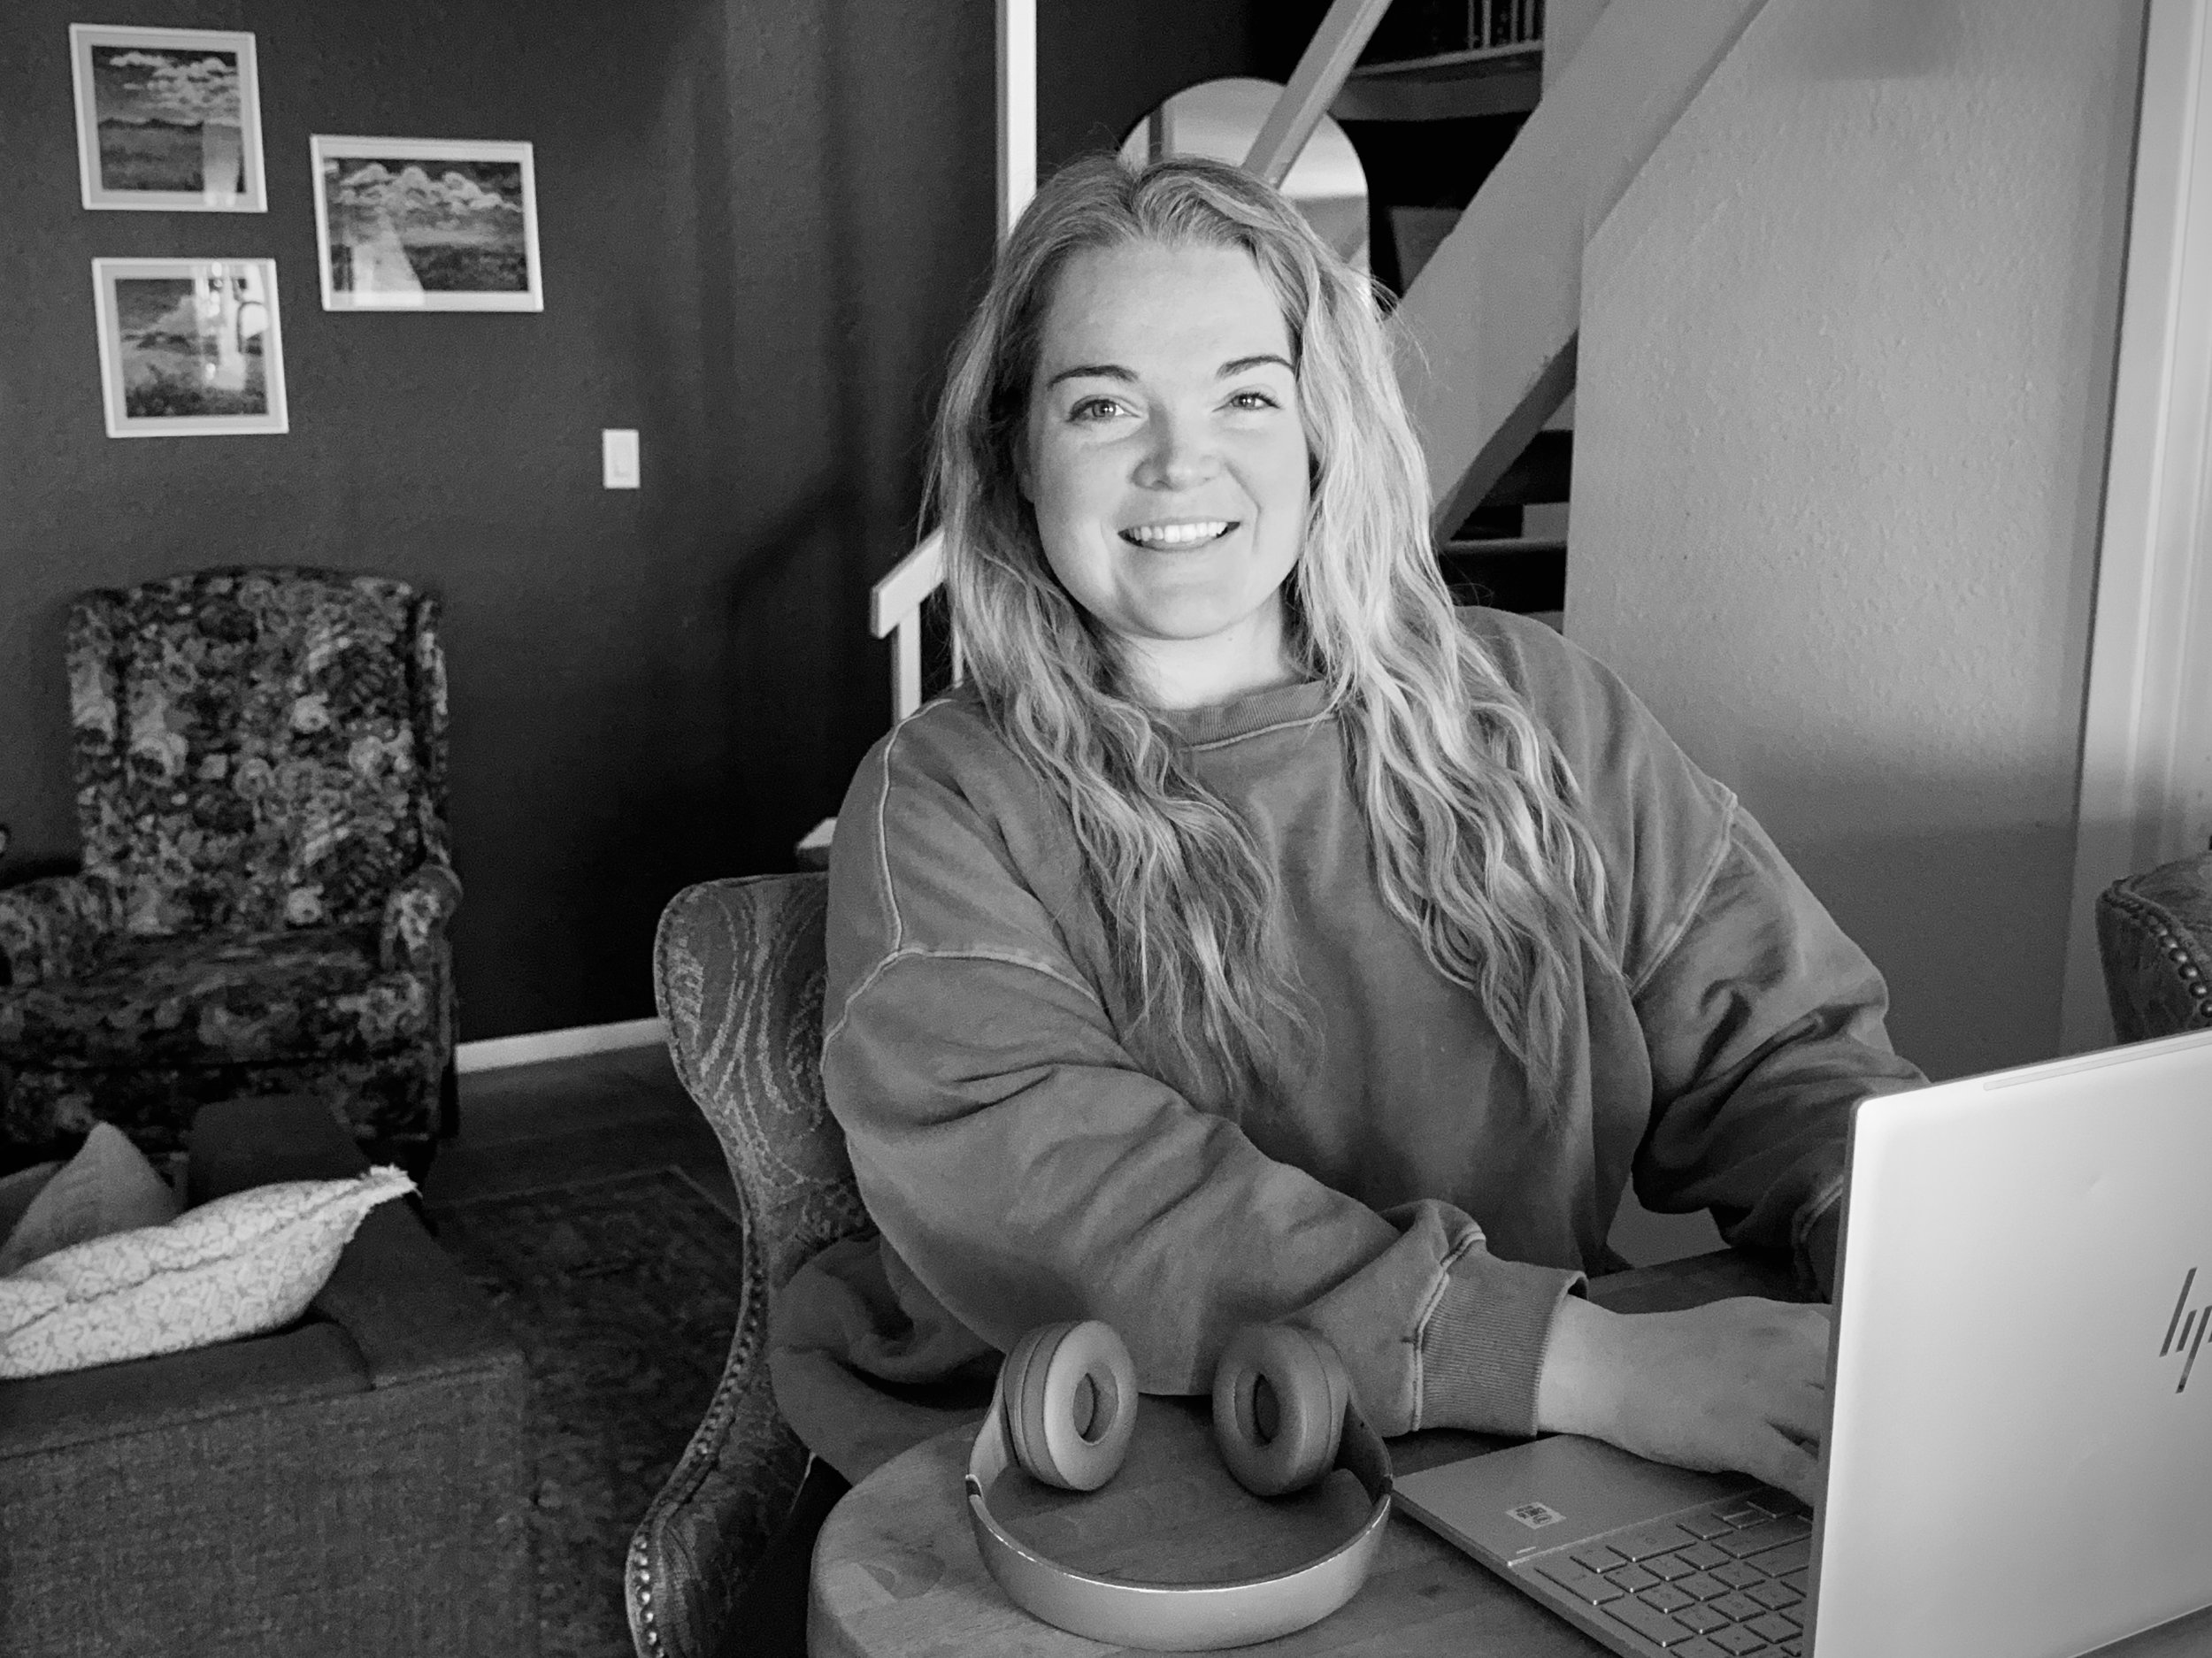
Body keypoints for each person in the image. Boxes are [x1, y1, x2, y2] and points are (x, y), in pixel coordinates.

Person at [748, 150, 1924, 1650]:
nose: (1182, 467)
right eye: (1104, 404)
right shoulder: (945, 794)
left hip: (1539, 1439)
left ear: (1323, 432)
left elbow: (1783, 1047)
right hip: (1112, 1473)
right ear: (1016, 455)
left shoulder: (1542, 710)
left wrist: (1890, 1244)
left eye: (1246, 394)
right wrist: (1577, 1362)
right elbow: (1090, 1191)